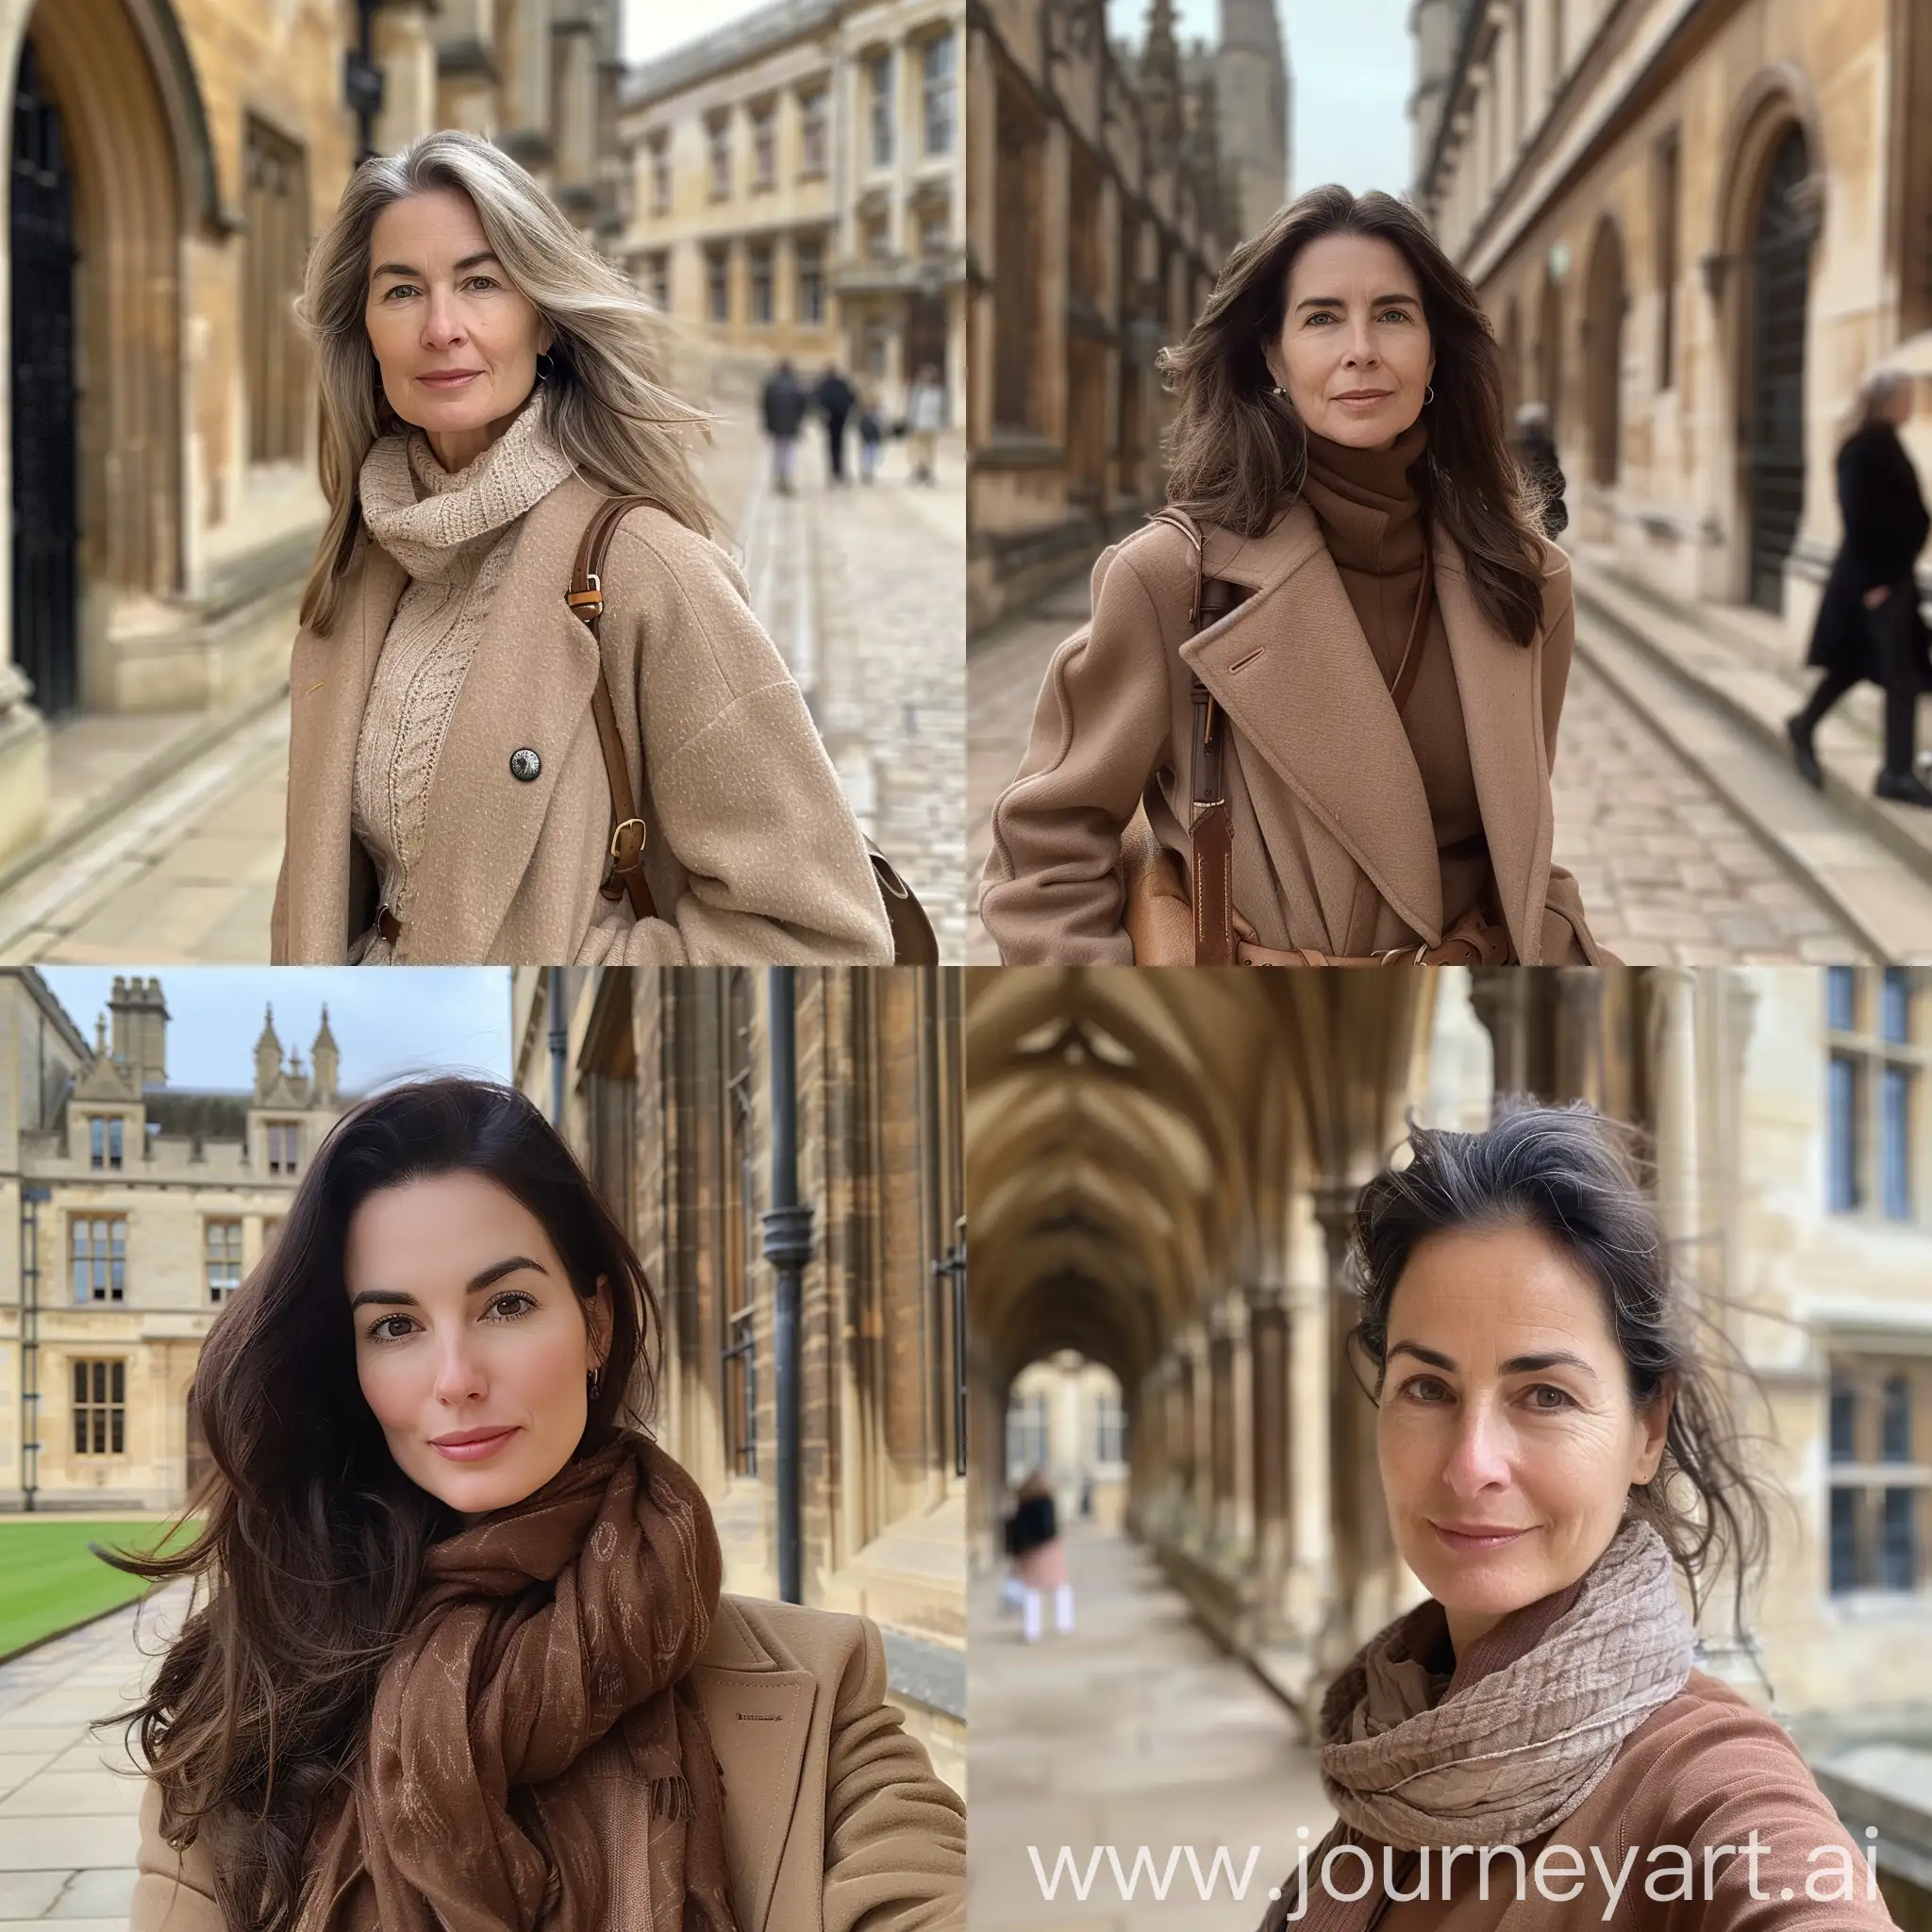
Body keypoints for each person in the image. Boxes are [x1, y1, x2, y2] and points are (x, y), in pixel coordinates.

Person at [119, 1076, 967, 1932]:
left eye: (507, 1305)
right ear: (353, 1365)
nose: (455, 1380)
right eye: (395, 1327)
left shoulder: (823, 1682)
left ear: (596, 1324)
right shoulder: (244, 1711)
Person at [1257, 1104, 1893, 1932]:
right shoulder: (1401, 1729)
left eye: (1545, 1395)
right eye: (1427, 1387)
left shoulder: (1711, 1783)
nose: (1470, 1463)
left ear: (1647, 1431)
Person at [270, 132, 891, 967]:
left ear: (545, 322)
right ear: (366, 329)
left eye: (481, 282)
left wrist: (570, 973)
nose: (441, 327)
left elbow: (822, 936)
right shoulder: (363, 558)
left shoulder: (646, 566)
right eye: (403, 290)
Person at [981, 184, 1605, 968]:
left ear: (1434, 348)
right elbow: (1046, 854)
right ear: (1273, 355)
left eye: (1392, 314)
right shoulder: (1173, 580)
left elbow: (1520, 849)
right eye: (1321, 318)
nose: (1361, 349)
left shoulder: (1526, 579)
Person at [1789, 365, 1932, 808]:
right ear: (1886, 400)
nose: (1912, 405)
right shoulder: (1863, 448)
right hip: (1875, 582)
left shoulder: (1884, 442)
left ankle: (1806, 726)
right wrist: (1877, 581)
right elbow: (1859, 516)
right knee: (1898, 676)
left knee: (1862, 669)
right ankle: (1895, 773)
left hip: (1891, 579)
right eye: (1906, 397)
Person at [1008, 1469, 1074, 1643]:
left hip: (1028, 1551)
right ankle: (1064, 1623)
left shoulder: (1023, 1502)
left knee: (1032, 1592)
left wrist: (1017, 1552)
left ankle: (1031, 1631)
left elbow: (1015, 1531)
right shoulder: (1046, 1501)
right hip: (1047, 1549)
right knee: (1060, 1587)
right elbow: (1049, 1528)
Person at [1511, 400, 1568, 541]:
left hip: (1546, 511)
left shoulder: (1543, 449)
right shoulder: (1523, 451)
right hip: (1533, 512)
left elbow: (1556, 483)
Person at [761, 357, 808, 495]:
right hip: (791, 425)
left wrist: (768, 424)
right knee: (789, 452)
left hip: (776, 425)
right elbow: (802, 405)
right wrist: (798, 420)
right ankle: (787, 479)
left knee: (778, 452)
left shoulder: (771, 385)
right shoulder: (796, 385)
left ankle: (778, 479)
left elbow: (766, 406)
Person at [816, 363, 857, 486]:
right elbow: (852, 398)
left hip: (830, 419)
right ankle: (839, 470)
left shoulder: (824, 384)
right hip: (840, 418)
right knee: (840, 445)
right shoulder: (841, 384)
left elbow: (818, 400)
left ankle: (834, 471)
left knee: (832, 445)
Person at [907, 365, 945, 484]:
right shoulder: (917, 392)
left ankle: (928, 472)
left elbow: (942, 410)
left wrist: (942, 423)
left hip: (931, 426)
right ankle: (918, 471)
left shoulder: (937, 393)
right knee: (917, 450)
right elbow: (912, 408)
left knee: (929, 450)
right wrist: (910, 421)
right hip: (918, 425)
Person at [858, 389, 885, 485]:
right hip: (867, 440)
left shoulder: (878, 417)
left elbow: (881, 428)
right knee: (866, 456)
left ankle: (869, 471)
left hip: (875, 439)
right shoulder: (864, 417)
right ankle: (866, 471)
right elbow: (861, 428)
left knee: (874, 456)